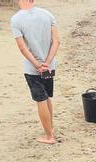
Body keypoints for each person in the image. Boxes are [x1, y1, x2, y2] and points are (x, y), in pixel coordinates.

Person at [11, 0, 60, 144]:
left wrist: (37, 65)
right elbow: (56, 41)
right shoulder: (47, 14)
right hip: (49, 66)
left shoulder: (16, 19)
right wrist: (47, 62)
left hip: (33, 69)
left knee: (41, 99)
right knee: (47, 97)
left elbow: (22, 47)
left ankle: (49, 136)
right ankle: (50, 129)